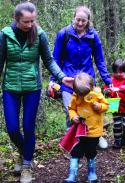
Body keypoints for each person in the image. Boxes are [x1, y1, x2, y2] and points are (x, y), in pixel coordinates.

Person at [0, 2, 74, 182]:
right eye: (26, 21)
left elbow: (49, 60)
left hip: (32, 87)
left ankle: (26, 165)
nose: (30, 25)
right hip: (10, 87)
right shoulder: (5, 35)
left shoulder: (39, 35)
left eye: (32, 21)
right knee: (12, 128)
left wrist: (61, 77)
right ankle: (24, 151)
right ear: (16, 19)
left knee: (28, 127)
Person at [49, 7, 111, 144]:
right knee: (70, 110)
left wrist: (107, 80)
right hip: (68, 80)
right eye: (78, 20)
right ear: (74, 18)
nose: (80, 23)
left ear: (88, 20)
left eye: (83, 20)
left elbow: (99, 60)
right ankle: (72, 139)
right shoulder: (63, 34)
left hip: (87, 80)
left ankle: (95, 135)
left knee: (91, 108)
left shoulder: (93, 36)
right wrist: (52, 80)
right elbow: (56, 59)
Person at [64, 73, 109, 183]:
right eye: (80, 94)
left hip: (94, 131)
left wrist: (99, 106)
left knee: (91, 151)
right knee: (75, 151)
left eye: (85, 93)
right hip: (79, 131)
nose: (82, 96)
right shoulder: (76, 96)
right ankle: (72, 174)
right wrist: (73, 116)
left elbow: (106, 106)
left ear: (92, 86)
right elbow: (71, 109)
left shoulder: (97, 94)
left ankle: (91, 172)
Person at [105, 59, 125, 149]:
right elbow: (106, 87)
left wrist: (119, 88)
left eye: (120, 72)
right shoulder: (112, 79)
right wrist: (107, 90)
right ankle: (117, 141)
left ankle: (124, 139)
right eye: (116, 72)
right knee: (117, 125)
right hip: (114, 105)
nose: (118, 74)